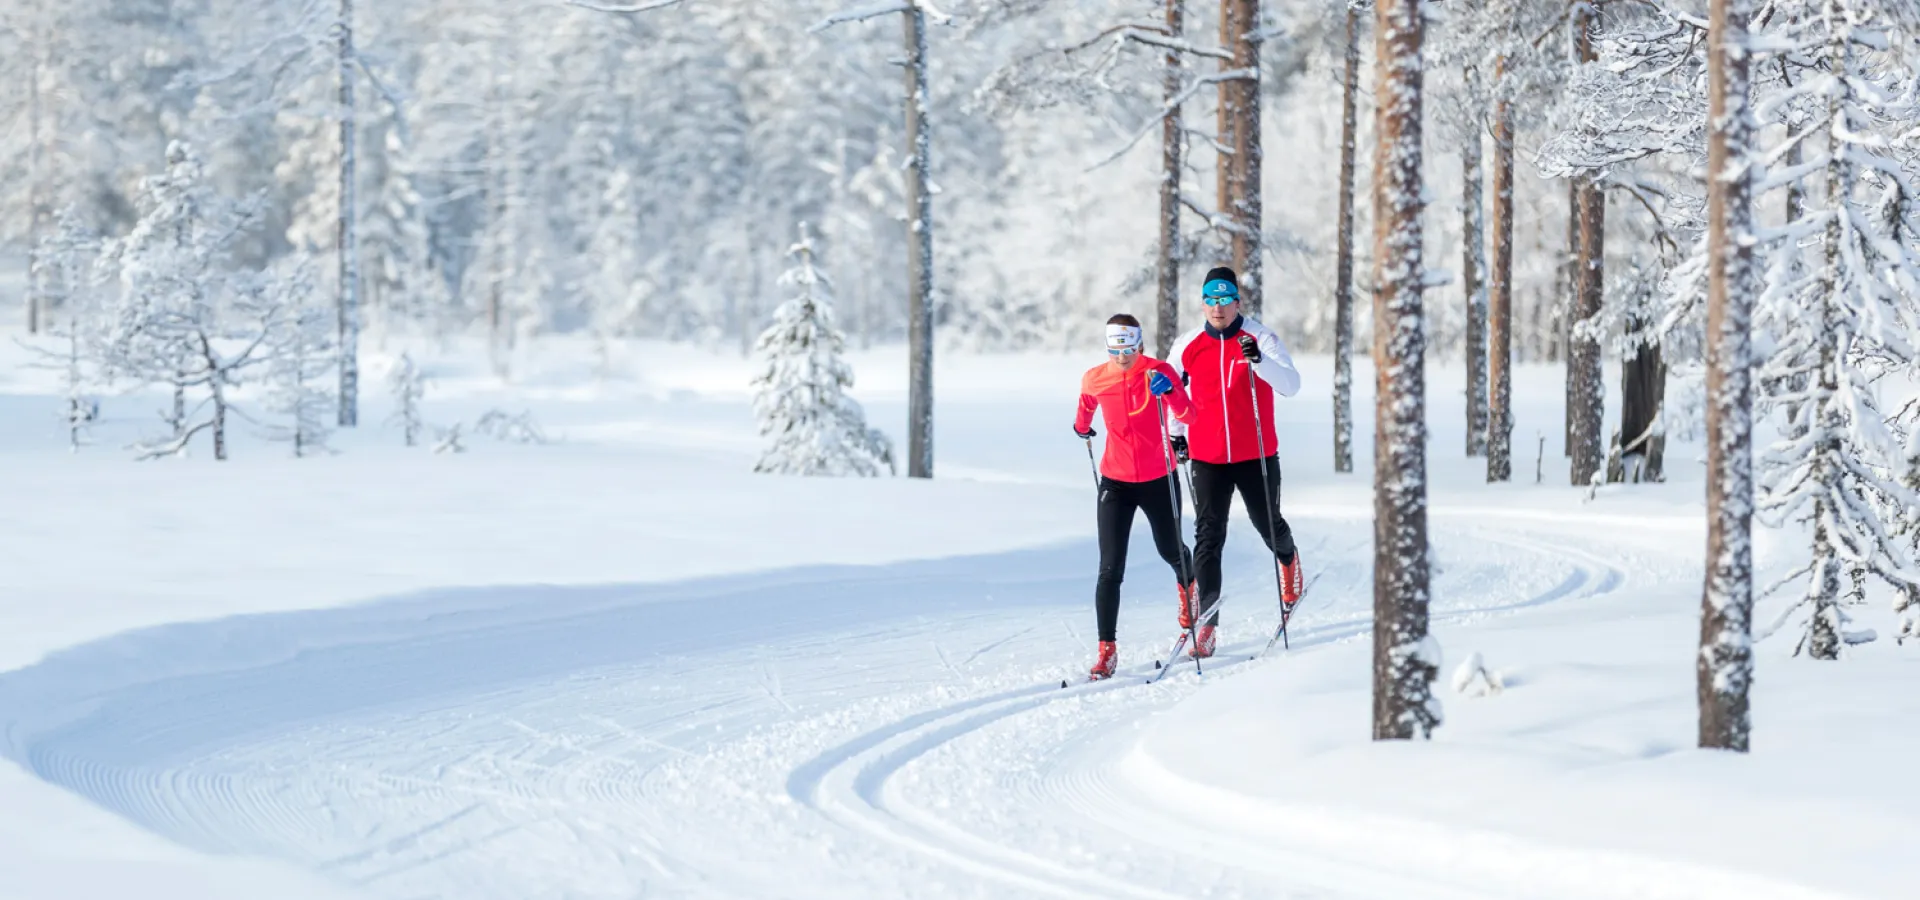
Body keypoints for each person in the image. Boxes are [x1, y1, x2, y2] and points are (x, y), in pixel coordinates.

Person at [1168, 266, 1304, 658]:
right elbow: (1172, 390)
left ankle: (1288, 559)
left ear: (1236, 302)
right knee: (1209, 538)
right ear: (1203, 303)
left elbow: (1291, 385)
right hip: (1208, 456)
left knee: (1268, 524)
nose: (1218, 308)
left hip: (1256, 453)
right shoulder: (1188, 345)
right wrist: (1175, 434)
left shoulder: (1261, 337)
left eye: (1225, 300)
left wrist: (1259, 361)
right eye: (1210, 300)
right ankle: (1207, 625)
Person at [1072, 314, 1198, 680]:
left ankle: (1191, 594)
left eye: (1128, 348)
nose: (1122, 356)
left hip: (1159, 476)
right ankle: (1106, 652)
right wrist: (1082, 426)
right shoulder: (1095, 377)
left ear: (1139, 343)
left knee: (1171, 550)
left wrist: (1171, 391)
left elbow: (1188, 414)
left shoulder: (1158, 371)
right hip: (1116, 482)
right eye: (1115, 349)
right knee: (1110, 568)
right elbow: (1085, 410)